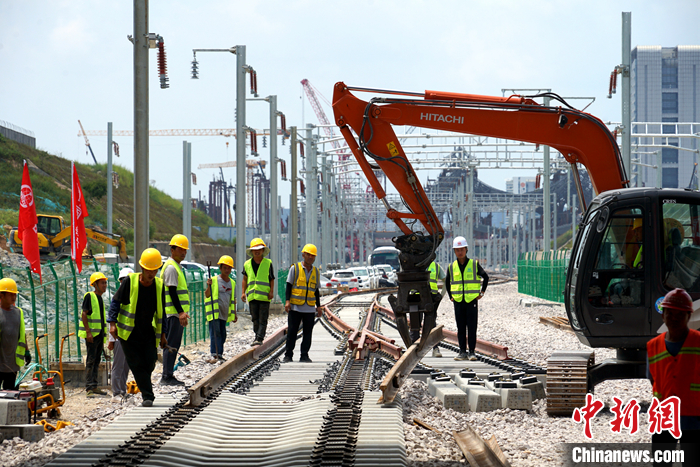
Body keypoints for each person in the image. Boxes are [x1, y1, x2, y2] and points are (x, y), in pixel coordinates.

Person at [108, 248, 168, 407]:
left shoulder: (159, 286)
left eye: (154, 270)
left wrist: (163, 334)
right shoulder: (129, 282)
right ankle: (148, 396)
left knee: (149, 362)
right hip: (128, 334)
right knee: (136, 364)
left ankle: (145, 387)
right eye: (149, 270)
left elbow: (162, 312)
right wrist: (112, 324)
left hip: (148, 331)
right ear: (142, 268)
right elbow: (115, 302)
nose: (151, 273)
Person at [647, 288, 700, 467]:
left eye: (680, 314)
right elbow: (654, 380)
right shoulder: (653, 346)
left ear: (688, 316)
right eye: (670, 313)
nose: (674, 318)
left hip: (695, 419)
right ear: (663, 316)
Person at [446, 236, 488, 361]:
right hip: (458, 301)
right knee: (460, 327)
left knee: (472, 327)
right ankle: (462, 352)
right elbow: (447, 283)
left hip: (471, 301)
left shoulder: (474, 264)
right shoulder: (451, 266)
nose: (460, 252)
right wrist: (450, 297)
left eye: (462, 249)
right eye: (457, 250)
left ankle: (472, 352)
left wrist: (482, 293)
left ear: (466, 250)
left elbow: (485, 277)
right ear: (454, 251)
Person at [159, 234, 191, 386]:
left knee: (174, 344)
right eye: (180, 249)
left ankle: (168, 374)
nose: (183, 253)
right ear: (172, 249)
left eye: (185, 250)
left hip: (174, 314)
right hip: (172, 314)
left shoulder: (176, 266)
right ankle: (167, 376)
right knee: (171, 344)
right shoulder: (171, 268)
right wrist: (180, 312)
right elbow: (172, 292)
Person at [283, 243, 322, 363]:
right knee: (292, 332)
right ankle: (288, 355)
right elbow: (289, 286)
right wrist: (287, 301)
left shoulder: (316, 271)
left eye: (313, 256)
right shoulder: (295, 268)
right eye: (308, 255)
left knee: (308, 333)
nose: (310, 257)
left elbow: (316, 291)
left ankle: (304, 355)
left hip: (309, 308)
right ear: (303, 255)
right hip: (295, 307)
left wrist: (318, 307)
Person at [241, 238, 275, 346]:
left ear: (263, 251)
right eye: (255, 249)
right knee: (254, 318)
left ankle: (259, 338)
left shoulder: (268, 263)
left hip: (264, 296)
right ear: (251, 251)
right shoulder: (247, 264)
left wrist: (271, 292)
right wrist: (243, 292)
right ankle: (257, 335)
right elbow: (245, 279)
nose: (257, 251)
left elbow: (271, 279)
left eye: (259, 249)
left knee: (263, 318)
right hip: (252, 296)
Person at [80, 271, 109, 397]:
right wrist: (88, 332)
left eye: (105, 283)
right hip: (92, 334)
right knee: (91, 360)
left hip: (99, 335)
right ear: (95, 284)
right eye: (102, 283)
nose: (105, 285)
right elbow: (84, 313)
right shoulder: (89, 296)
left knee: (97, 360)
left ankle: (94, 385)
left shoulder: (100, 298)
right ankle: (89, 387)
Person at [408, 260, 446, 357]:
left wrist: (441, 296)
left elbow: (446, 281)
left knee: (431, 324)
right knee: (415, 324)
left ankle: (434, 348)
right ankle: (415, 349)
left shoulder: (435, 266)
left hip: (431, 297)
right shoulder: (413, 265)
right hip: (416, 297)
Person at [204, 255, 237, 363]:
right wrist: (208, 286)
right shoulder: (214, 280)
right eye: (225, 268)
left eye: (229, 268)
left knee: (222, 334)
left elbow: (233, 300)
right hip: (214, 312)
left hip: (224, 314)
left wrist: (234, 314)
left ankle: (220, 354)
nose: (227, 270)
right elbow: (207, 295)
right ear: (220, 268)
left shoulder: (232, 283)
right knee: (215, 333)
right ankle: (215, 354)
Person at [107, 267, 134, 402]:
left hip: (129, 336)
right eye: (124, 281)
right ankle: (116, 393)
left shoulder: (133, 297)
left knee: (125, 365)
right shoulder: (118, 297)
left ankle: (122, 390)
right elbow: (112, 319)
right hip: (119, 336)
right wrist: (111, 339)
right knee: (118, 364)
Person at [0, 278, 29, 390]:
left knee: (10, 395)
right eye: (10, 294)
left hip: (12, 364)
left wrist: (26, 350)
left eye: (15, 294)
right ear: (1, 296)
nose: (14, 297)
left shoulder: (18, 312)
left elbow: (22, 333)